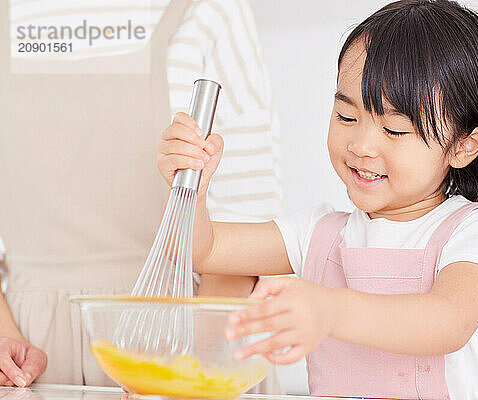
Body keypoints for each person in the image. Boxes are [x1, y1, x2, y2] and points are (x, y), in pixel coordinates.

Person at [157, 1, 478, 399]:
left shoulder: (475, 229)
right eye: (347, 117)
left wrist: (328, 310)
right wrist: (192, 187)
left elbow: (447, 322)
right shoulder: (318, 234)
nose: (361, 145)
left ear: (464, 146)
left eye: (394, 130)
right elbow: (204, 250)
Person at [0, 0, 283, 393]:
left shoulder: (209, 9)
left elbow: (247, 219)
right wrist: (3, 336)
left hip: (184, 334)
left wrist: (193, 364)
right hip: (27, 353)